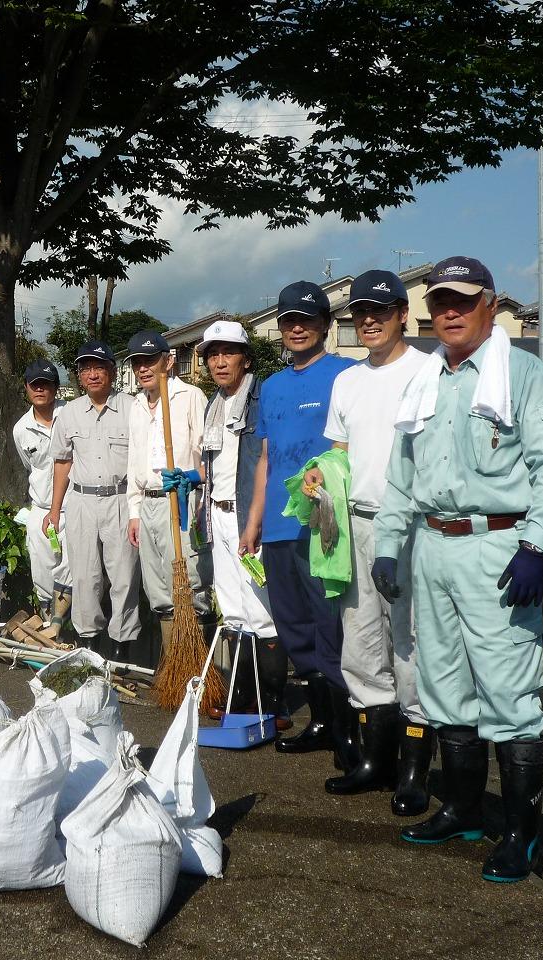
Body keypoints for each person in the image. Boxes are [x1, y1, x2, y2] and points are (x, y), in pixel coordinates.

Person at [373, 256, 543, 883]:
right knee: (443, 685)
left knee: (509, 693)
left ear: (491, 304)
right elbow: (402, 478)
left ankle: (522, 835)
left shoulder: (524, 375)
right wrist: (388, 543)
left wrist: (536, 546)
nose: (450, 312)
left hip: (498, 548)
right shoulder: (424, 381)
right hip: (432, 547)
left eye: (462, 300)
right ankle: (462, 807)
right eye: (439, 303)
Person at [301, 271, 432, 808]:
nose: (370, 319)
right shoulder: (347, 381)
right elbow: (338, 453)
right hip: (352, 522)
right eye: (361, 312)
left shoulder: (430, 372)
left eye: (381, 309)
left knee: (412, 644)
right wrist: (317, 474)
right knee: (360, 642)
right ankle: (375, 761)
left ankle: (414, 769)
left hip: (412, 527)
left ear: (404, 313)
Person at [239, 281, 358, 769]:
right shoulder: (272, 386)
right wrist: (254, 522)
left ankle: (348, 728)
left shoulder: (347, 375)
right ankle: (323, 722)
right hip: (280, 527)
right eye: (288, 319)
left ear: (326, 325)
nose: (297, 326)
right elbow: (266, 459)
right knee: (292, 624)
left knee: (331, 623)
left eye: (307, 318)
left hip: (325, 523)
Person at [196, 319, 289, 727]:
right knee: (232, 609)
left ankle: (272, 703)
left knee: (261, 608)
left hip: (249, 516)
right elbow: (212, 461)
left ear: (245, 358)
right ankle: (241, 697)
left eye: (227, 353)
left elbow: (267, 462)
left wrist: (257, 521)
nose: (219, 362)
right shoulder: (213, 402)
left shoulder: (261, 398)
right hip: (216, 513)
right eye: (212, 355)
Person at [45, 340, 141, 662]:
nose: (92, 374)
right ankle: (88, 647)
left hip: (121, 500)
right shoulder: (69, 414)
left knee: (124, 577)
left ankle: (121, 649)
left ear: (112, 371)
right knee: (85, 577)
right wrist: (54, 511)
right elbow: (62, 462)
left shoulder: (132, 407)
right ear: (79, 376)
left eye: (98, 367)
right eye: (85, 368)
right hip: (82, 502)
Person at [124, 330, 213, 667]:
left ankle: (199, 666)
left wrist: (198, 495)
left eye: (150, 360)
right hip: (146, 502)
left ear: (168, 360)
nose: (143, 368)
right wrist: (134, 510)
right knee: (158, 589)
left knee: (190, 583)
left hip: (181, 499)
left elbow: (206, 455)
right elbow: (134, 461)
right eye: (137, 363)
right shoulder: (135, 405)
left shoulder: (189, 396)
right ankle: (174, 665)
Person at [11, 359, 72, 632]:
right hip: (40, 509)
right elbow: (29, 465)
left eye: (45, 384)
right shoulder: (21, 428)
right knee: (42, 568)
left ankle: (66, 624)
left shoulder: (70, 416)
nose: (40, 389)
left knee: (70, 567)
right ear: (26, 387)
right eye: (34, 384)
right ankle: (49, 626)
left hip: (73, 505)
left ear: (56, 388)